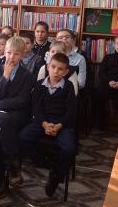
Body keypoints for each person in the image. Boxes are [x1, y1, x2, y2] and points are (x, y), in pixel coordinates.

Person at [20, 52, 77, 197]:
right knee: (23, 137)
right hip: (42, 121)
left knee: (69, 149)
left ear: (66, 72)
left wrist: (59, 125)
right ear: (47, 67)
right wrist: (45, 124)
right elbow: (36, 108)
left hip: (62, 124)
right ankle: (44, 161)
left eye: (60, 69)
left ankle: (55, 177)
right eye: (53, 67)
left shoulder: (68, 86)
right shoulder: (39, 85)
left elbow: (71, 111)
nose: (56, 71)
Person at [0, 36, 33, 198]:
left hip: (17, 114)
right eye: (8, 53)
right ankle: (14, 164)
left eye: (16, 54)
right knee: (4, 123)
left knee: (1, 135)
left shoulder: (27, 75)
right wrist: (5, 75)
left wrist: (0, 103)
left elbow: (22, 100)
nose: (11, 57)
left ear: (22, 55)